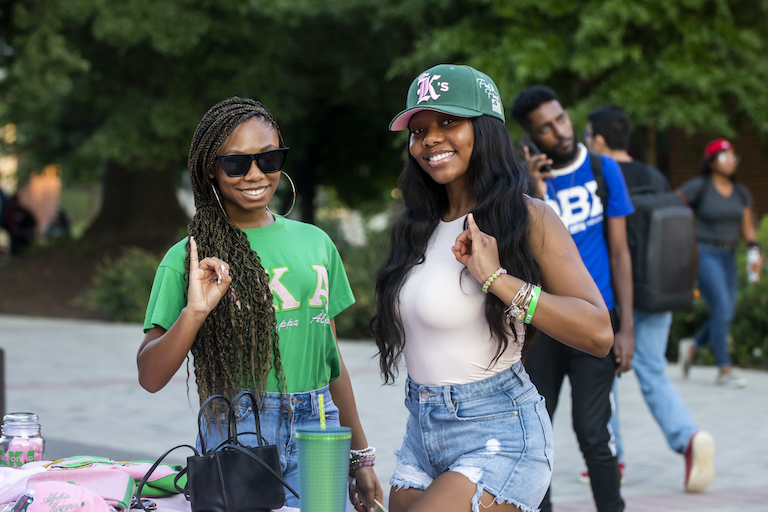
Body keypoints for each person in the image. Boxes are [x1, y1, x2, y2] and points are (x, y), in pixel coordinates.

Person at [372, 64, 613, 512]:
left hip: (500, 432)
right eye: (419, 129)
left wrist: (495, 279)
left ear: (484, 129)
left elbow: (598, 333)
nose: (430, 139)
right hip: (421, 434)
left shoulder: (530, 218)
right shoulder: (415, 228)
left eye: (449, 122)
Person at [137, 97, 383, 512]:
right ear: (210, 169)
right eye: (236, 163)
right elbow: (150, 375)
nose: (255, 174)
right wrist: (194, 313)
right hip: (239, 427)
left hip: (318, 423)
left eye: (269, 159)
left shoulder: (316, 242)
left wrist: (360, 455)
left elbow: (331, 357)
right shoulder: (189, 259)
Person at [510, 86, 634, 512]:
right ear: (529, 137)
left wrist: (625, 328)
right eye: (545, 128)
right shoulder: (521, 184)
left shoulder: (602, 169)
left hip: (593, 321)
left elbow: (619, 253)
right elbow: (525, 251)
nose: (559, 131)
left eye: (560, 119)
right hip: (543, 325)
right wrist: (532, 185)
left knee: (593, 431)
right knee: (536, 431)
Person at [585, 105, 715, 493]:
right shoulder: (655, 175)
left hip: (615, 290)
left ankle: (612, 458)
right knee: (653, 371)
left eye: (589, 136)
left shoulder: (601, 175)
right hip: (659, 290)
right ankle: (689, 438)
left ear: (601, 140)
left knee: (602, 377)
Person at [676, 138, 761, 388]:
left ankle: (692, 346)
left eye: (734, 156)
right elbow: (674, 204)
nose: (731, 161)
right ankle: (724, 369)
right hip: (705, 252)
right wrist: (683, 235)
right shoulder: (700, 187)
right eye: (724, 156)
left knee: (726, 312)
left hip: (729, 255)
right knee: (722, 308)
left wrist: (755, 255)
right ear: (711, 161)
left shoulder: (741, 192)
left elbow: (748, 229)